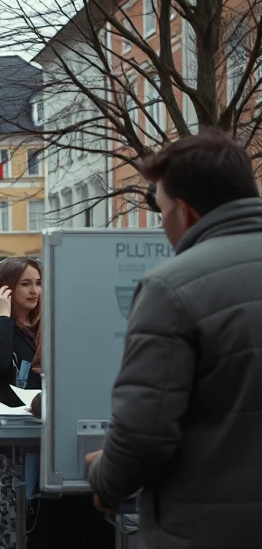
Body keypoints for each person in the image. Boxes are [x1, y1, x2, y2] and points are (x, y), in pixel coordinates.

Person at [86, 132, 262, 549]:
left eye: (160, 211)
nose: (162, 224)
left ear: (185, 212)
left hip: (206, 528)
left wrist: (105, 477)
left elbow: (143, 434)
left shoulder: (172, 287)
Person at [0, 257, 42, 549]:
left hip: (42, 427)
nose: (34, 290)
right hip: (11, 433)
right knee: (14, 500)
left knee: (37, 503)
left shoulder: (41, 328)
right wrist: (2, 316)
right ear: (5, 289)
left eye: (38, 282)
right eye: (25, 283)